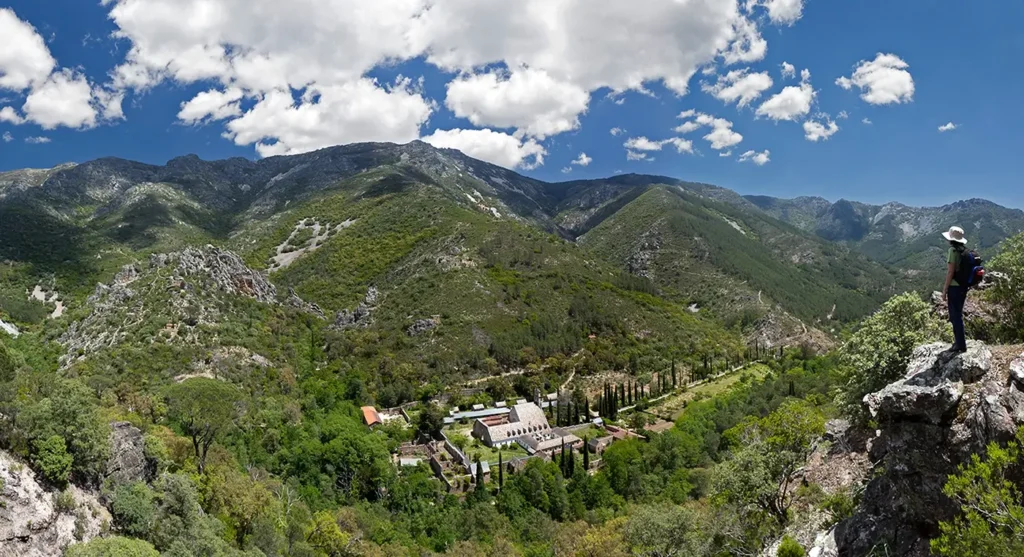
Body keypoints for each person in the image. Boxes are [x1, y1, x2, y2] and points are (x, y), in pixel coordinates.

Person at [942, 226, 969, 353]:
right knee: (958, 314)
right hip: (963, 286)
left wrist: (944, 290)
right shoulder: (964, 251)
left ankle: (960, 345)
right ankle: (959, 342)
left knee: (955, 316)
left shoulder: (952, 251)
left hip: (954, 287)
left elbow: (950, 272)